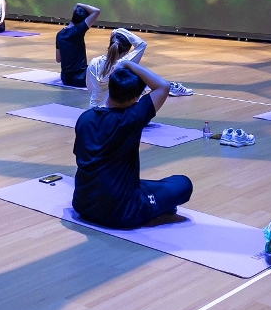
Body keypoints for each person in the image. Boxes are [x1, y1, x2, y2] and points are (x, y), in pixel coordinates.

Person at [72, 61, 193, 230]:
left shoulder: (85, 118)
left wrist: (121, 69)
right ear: (133, 100)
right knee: (183, 184)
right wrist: (128, 64)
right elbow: (163, 87)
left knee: (143, 184)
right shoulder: (132, 118)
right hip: (122, 213)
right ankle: (156, 208)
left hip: (82, 204)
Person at [86, 28, 147, 109]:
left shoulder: (94, 62)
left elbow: (90, 87)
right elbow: (142, 44)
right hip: (115, 110)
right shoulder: (125, 64)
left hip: (93, 108)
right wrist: (119, 30)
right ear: (126, 52)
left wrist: (116, 31)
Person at [55, 3, 101, 87]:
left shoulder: (59, 34)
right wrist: (79, 4)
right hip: (81, 78)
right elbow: (96, 11)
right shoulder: (79, 30)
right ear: (84, 20)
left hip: (65, 79)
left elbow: (58, 59)